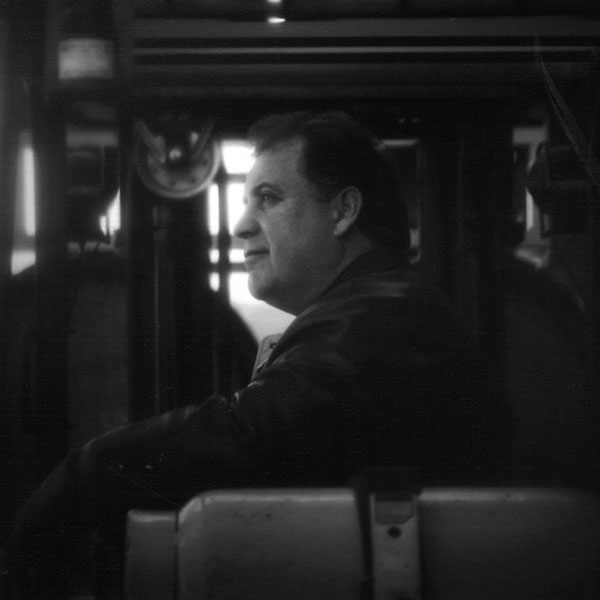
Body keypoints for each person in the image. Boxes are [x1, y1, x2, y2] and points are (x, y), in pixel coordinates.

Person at [3, 111, 508, 598]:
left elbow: (249, 435)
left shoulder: (381, 321)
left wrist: (80, 478)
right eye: (247, 201)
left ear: (343, 211)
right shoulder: (380, 305)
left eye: (269, 198)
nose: (241, 225)